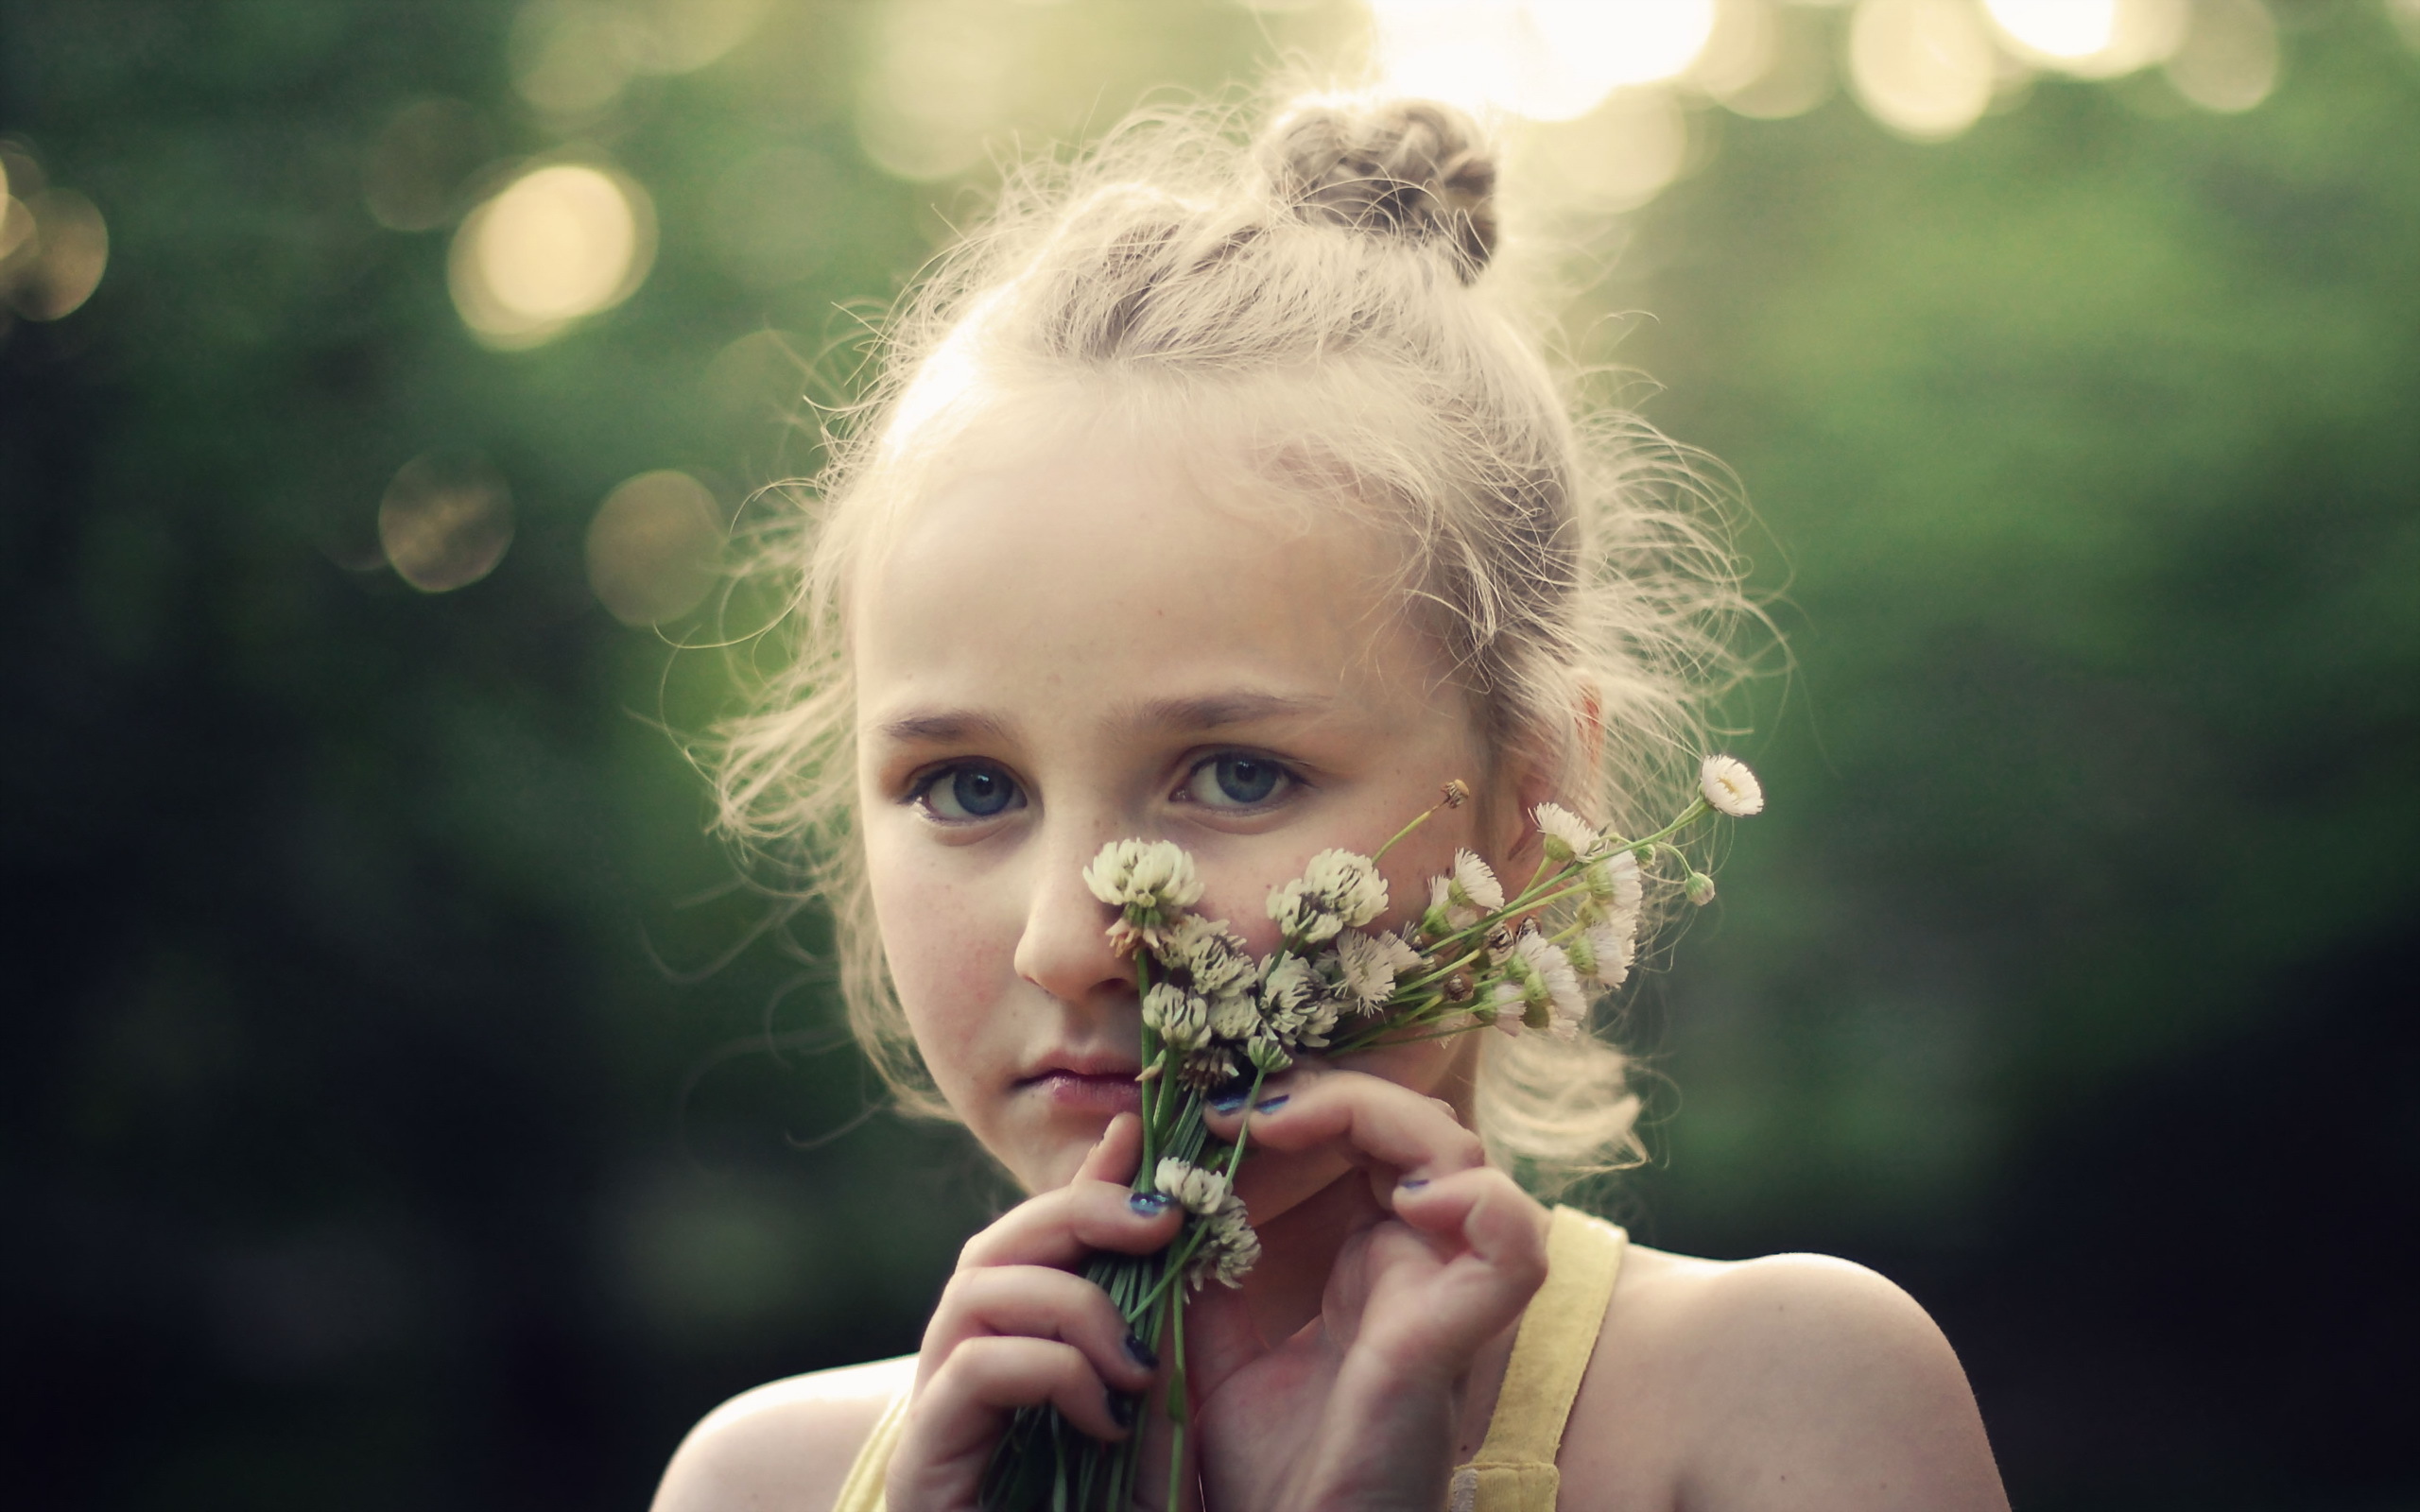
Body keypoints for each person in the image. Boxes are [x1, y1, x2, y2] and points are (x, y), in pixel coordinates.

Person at [652, 94, 2009, 1512]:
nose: (1072, 939)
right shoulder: (762, 1484)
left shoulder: (1774, 1403)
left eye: (1237, 775)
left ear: (1534, 802)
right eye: (967, 786)